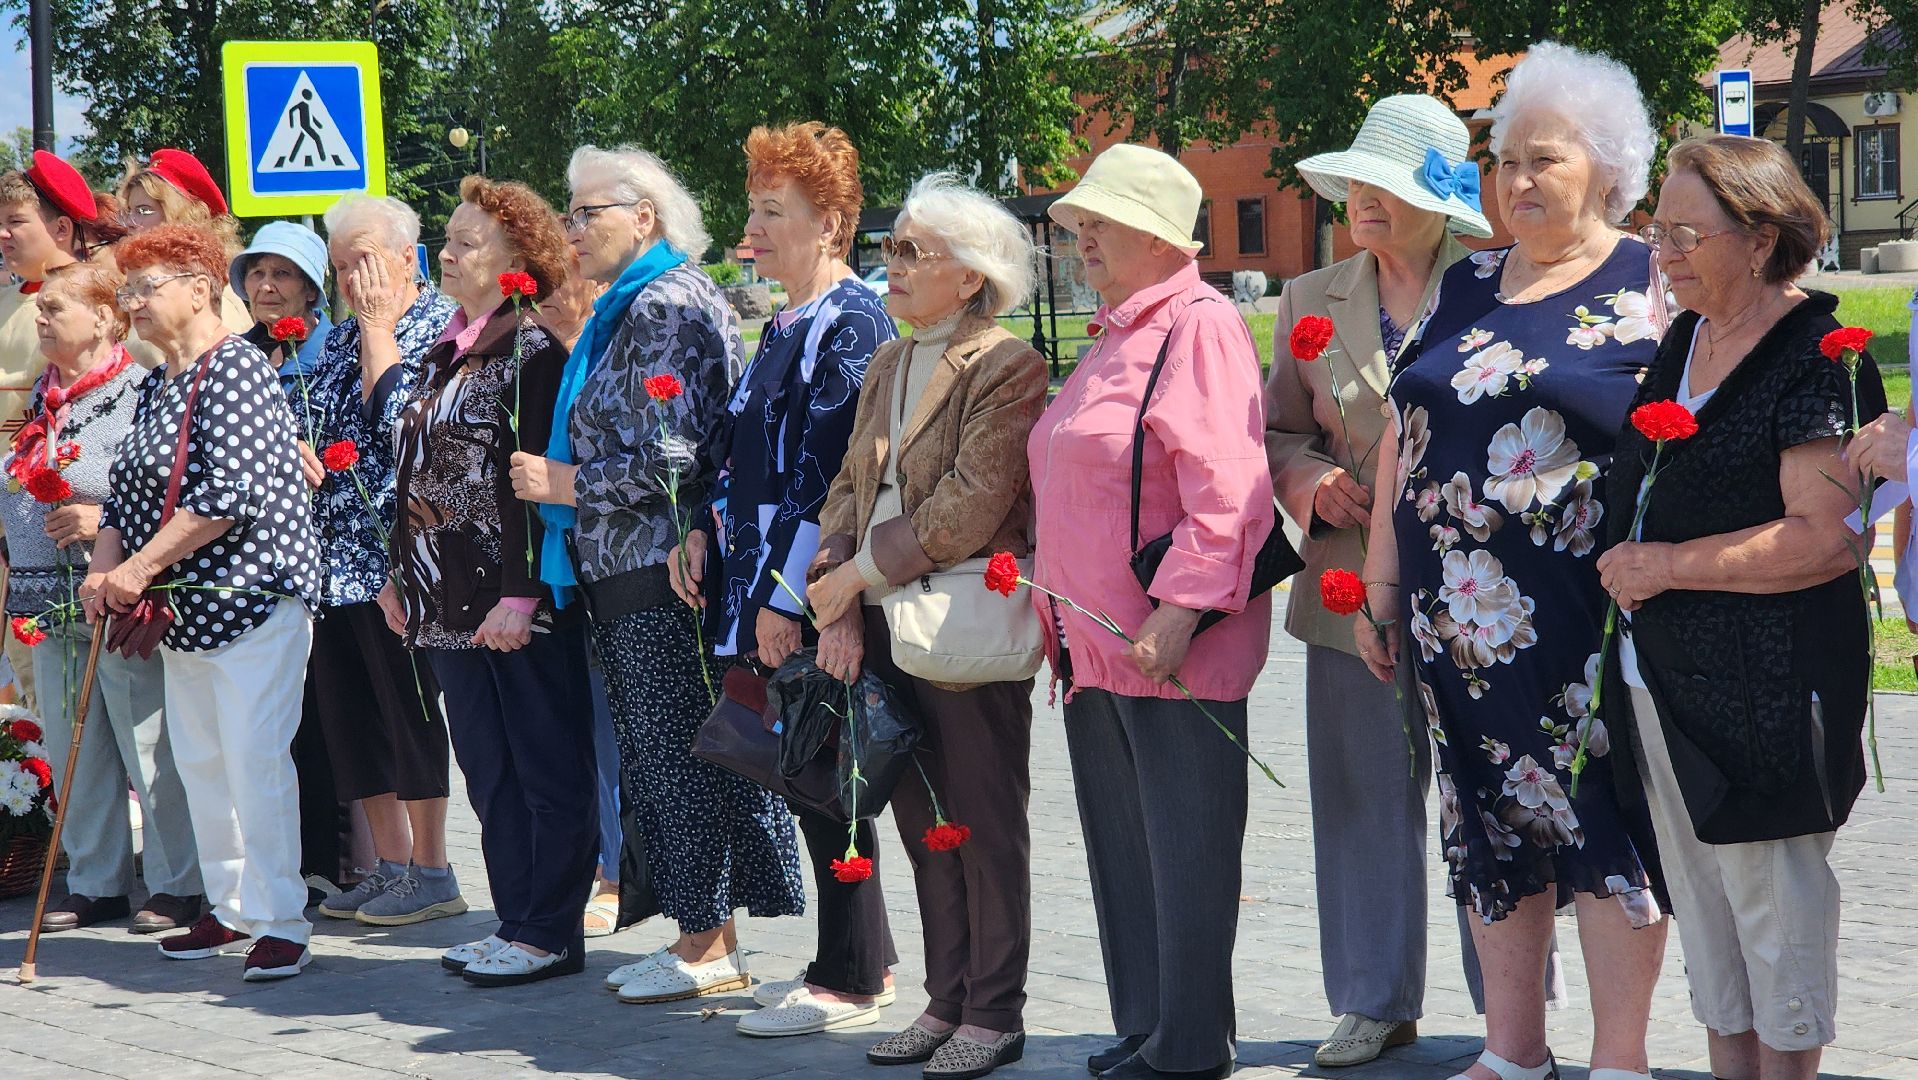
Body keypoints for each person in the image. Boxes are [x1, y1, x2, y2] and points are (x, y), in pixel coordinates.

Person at [1355, 42, 1670, 1080]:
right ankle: (1513, 1050)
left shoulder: (1650, 281)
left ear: (1607, 169)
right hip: (1454, 621)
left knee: (1598, 819)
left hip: (1584, 613)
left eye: (1544, 159)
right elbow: (1401, 435)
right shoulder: (1468, 280)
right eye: (1502, 162)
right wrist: (1382, 585)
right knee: (1486, 816)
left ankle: (1618, 1058)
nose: (1517, 181)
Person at [1598, 134, 1884, 1080]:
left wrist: (1669, 565)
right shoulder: (1687, 338)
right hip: (1663, 684)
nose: (1665, 254)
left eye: (1686, 234)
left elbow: (1826, 538)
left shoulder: (1816, 359)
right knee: (1710, 930)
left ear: (1761, 240)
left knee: (1776, 927)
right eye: (1657, 232)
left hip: (1769, 698)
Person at [508, 144, 805, 1002]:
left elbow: (680, 454)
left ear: (644, 217)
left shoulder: (664, 305)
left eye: (586, 212)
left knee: (678, 758)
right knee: (662, 756)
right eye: (569, 212)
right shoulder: (628, 306)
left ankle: (706, 946)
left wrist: (565, 484)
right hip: (630, 564)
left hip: (661, 565)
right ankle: (701, 937)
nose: (571, 230)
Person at [1268, 93, 1517, 1068]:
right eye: (1356, 182)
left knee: (1491, 793)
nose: (1362, 199)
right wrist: (1311, 482)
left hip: (1480, 592)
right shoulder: (1309, 297)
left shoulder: (1502, 286)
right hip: (1343, 589)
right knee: (1361, 795)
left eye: (1386, 184)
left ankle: (1511, 1009)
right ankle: (1373, 1000)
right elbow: (1276, 431)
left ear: (1440, 199)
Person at [1027, 143, 1275, 1080]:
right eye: (1080, 224)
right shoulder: (1116, 332)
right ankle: (1147, 1025)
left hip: (1167, 645)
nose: (1082, 238)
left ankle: (1189, 1045)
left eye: (1103, 223)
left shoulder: (1197, 326)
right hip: (1094, 647)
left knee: (1186, 854)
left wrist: (1178, 613)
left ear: (1162, 237)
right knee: (1127, 852)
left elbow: (1228, 490)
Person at [802, 173, 1045, 1073]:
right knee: (924, 822)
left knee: (983, 821)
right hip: (876, 620)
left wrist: (855, 574)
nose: (891, 265)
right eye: (889, 247)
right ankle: (946, 1001)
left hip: (960, 628)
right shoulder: (889, 362)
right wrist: (832, 586)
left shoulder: (1008, 365)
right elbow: (847, 485)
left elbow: (969, 506)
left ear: (971, 275)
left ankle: (995, 1011)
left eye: (912, 251)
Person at [668, 121, 901, 1024]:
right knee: (809, 774)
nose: (751, 230)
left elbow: (829, 477)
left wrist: (786, 597)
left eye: (773, 212)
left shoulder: (851, 322)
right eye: (753, 208)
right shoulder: (786, 323)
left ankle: (849, 977)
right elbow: (739, 457)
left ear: (831, 224)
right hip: (758, 580)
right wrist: (702, 529)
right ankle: (861, 961)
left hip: (804, 589)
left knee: (828, 775)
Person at [83, 223, 321, 981]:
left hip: (253, 599)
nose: (132, 302)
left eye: (144, 287)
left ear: (198, 288)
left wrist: (139, 568)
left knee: (255, 762)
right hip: (187, 615)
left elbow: (227, 495)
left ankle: (282, 919)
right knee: (203, 764)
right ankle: (231, 906)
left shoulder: (236, 368)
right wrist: (104, 566)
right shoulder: (160, 381)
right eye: (126, 289)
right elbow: (124, 493)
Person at [382, 176, 594, 987]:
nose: (445, 252)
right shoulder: (448, 350)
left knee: (543, 765)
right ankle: (515, 922)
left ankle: (550, 930)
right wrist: (400, 575)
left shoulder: (533, 353)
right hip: (444, 602)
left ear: (518, 261)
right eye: (448, 237)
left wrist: (523, 593)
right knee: (488, 769)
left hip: (509, 602)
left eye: (466, 242)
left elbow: (528, 484)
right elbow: (415, 472)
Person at [7, 260, 201, 936]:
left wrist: (103, 521)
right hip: (46, 603)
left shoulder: (141, 392)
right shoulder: (44, 398)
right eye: (39, 309)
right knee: (73, 748)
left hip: (116, 596)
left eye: (55, 308)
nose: (40, 318)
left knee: (146, 743)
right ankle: (96, 882)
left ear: (103, 318)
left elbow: (168, 486)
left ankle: (177, 884)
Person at [296, 195, 465, 927]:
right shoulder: (336, 339)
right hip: (334, 561)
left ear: (406, 258)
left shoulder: (438, 327)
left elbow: (396, 423)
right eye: (339, 267)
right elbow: (316, 417)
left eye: (363, 261)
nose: (350, 279)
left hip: (399, 561)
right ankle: (389, 866)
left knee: (409, 714)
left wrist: (375, 327)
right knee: (353, 720)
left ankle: (434, 869)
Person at [0, 151, 99, 709]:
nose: (3, 235)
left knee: (63, 678)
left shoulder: (98, 299)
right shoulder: (5, 299)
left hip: (63, 519)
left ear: (61, 229)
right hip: (9, 510)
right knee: (25, 668)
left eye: (16, 221)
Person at [116, 149, 253, 340]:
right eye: (129, 211)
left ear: (181, 217)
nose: (130, 222)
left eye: (143, 211)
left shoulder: (216, 299)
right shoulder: (143, 288)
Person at [231, 221, 333, 420]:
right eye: (257, 273)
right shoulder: (232, 355)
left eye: (281, 273)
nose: (265, 287)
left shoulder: (336, 357)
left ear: (311, 289)